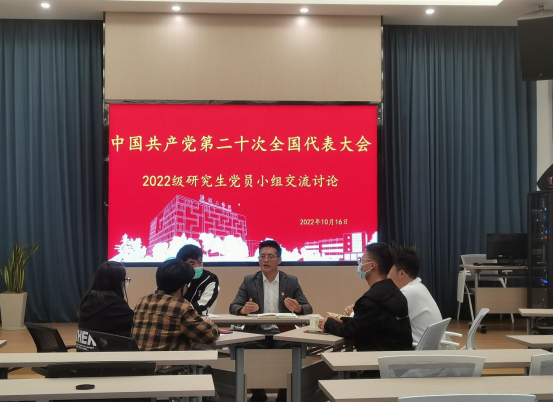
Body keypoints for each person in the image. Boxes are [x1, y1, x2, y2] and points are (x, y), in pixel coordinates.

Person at [229, 239, 313, 403]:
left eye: (270, 256)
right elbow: (233, 307)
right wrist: (243, 310)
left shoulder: (291, 281)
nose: (265, 260)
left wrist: (298, 308)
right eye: (262, 256)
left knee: (290, 350)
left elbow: (307, 307)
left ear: (279, 260)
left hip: (283, 332)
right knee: (248, 349)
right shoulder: (249, 280)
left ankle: (283, 395)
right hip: (256, 332)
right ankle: (258, 394)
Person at [320, 242, 412, 352]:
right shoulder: (395, 293)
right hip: (396, 358)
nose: (360, 264)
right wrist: (343, 321)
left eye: (362, 260)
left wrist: (328, 324)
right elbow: (366, 322)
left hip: (376, 359)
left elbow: (352, 332)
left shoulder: (371, 300)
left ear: (372, 265)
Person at [132, 258, 220, 351]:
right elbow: (210, 335)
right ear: (184, 286)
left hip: (140, 359)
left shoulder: (142, 301)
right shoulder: (181, 306)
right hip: (168, 360)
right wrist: (209, 324)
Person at [387, 246, 443, 344]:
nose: (387, 274)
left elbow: (384, 322)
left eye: (389, 269)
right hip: (428, 347)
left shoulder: (408, 293)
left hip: (418, 350)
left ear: (401, 273)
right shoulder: (418, 287)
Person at [77, 261, 134, 351]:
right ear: (116, 282)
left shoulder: (87, 300)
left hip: (85, 356)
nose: (126, 282)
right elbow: (137, 325)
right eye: (125, 279)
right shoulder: (117, 306)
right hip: (107, 358)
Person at [177, 244, 220, 316]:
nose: (197, 266)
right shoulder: (175, 277)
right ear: (182, 264)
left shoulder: (210, 279)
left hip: (198, 318)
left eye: (200, 262)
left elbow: (203, 305)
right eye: (192, 264)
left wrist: (177, 310)